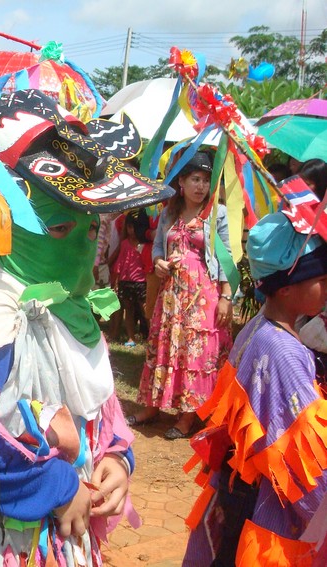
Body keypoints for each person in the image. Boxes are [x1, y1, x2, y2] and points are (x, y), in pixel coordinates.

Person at [0, 89, 174, 566]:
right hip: (7, 545)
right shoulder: (1, 317)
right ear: (9, 228)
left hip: (62, 543)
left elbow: (99, 412)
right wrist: (52, 486)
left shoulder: (69, 309)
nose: (81, 247)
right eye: (58, 229)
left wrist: (117, 459)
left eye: (91, 229)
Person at [182, 212, 327, 565]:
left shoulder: (259, 328)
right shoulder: (283, 352)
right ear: (287, 287)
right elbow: (308, 470)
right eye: (322, 279)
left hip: (238, 494)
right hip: (264, 508)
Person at [128, 151, 233, 440]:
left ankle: (187, 417)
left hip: (202, 297)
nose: (201, 186)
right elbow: (158, 247)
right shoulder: (169, 213)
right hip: (171, 296)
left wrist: (226, 297)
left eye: (206, 181)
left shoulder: (217, 214)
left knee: (194, 354)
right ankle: (152, 407)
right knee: (164, 348)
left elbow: (226, 257)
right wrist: (158, 261)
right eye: (195, 179)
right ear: (182, 183)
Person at [110, 212, 152, 347]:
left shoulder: (145, 245)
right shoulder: (124, 244)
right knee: (128, 310)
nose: (132, 230)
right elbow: (120, 263)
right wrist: (116, 279)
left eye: (134, 227)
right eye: (129, 227)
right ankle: (131, 338)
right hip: (125, 281)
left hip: (141, 282)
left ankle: (152, 337)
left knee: (145, 310)